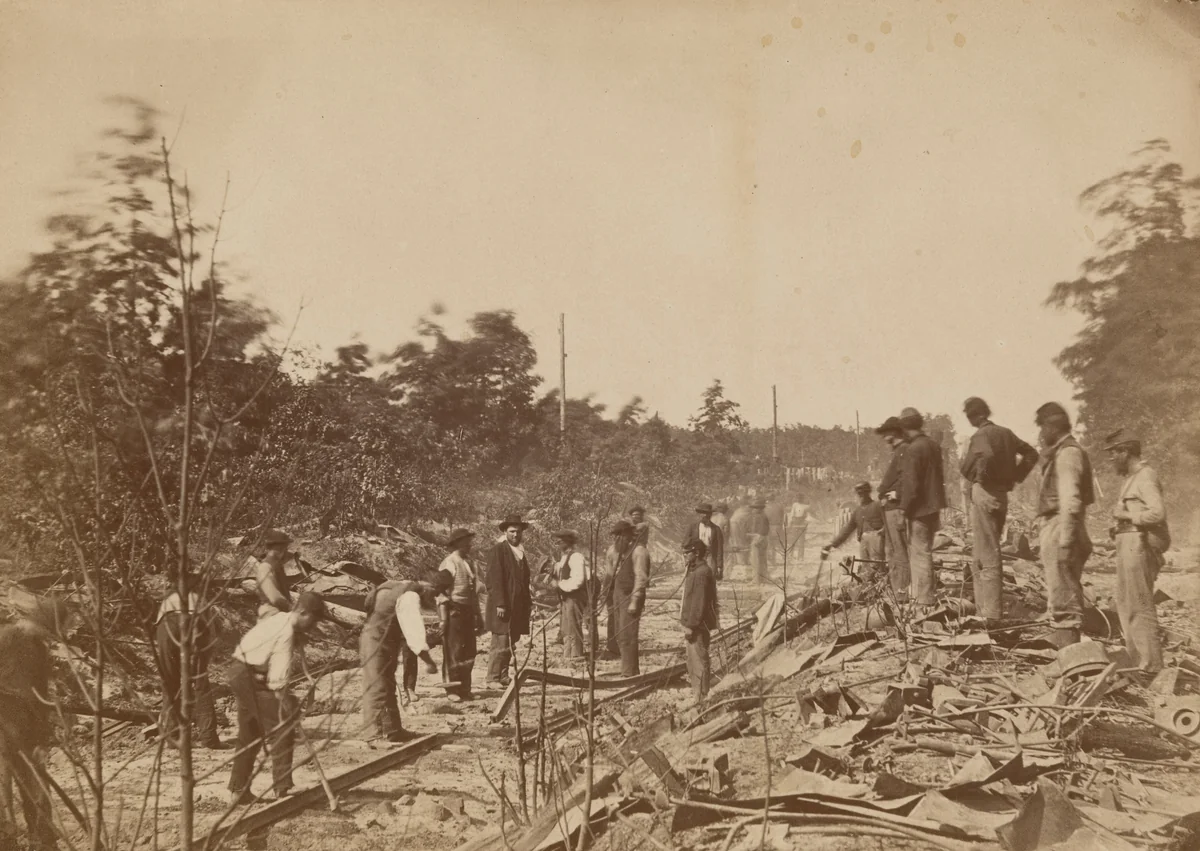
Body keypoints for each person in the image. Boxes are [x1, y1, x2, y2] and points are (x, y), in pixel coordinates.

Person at [228, 591, 325, 805]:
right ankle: (281, 788)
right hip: (248, 676)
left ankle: (238, 790)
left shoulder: (281, 619)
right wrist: (287, 707)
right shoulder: (286, 631)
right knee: (284, 725)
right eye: (313, 619)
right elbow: (278, 681)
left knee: (250, 732)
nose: (314, 624)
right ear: (302, 611)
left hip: (242, 672)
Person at [0, 591, 71, 850]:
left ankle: (43, 843)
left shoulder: (39, 650)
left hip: (27, 732)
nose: (51, 638)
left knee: (37, 788)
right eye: (50, 631)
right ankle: (7, 843)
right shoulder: (5, 638)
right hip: (3, 728)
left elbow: (41, 699)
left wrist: (43, 740)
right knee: (3, 791)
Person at [958, 397, 1039, 624]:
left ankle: (991, 615)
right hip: (1000, 495)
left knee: (989, 554)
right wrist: (1015, 477)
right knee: (981, 554)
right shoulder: (1006, 433)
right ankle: (982, 608)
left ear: (974, 415)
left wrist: (982, 478)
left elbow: (985, 456)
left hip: (985, 492)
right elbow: (1032, 454)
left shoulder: (980, 436)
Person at [1034, 403, 1094, 650]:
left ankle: (1070, 660)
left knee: (1064, 599)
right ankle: (1067, 657)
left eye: (1042, 428)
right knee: (1062, 593)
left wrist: (1066, 541)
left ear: (1052, 427)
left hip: (1062, 525)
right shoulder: (1063, 452)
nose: (1040, 434)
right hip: (1062, 524)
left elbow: (1071, 500)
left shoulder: (1068, 453)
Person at [1105, 434, 1167, 672]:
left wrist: (1127, 517)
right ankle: (1137, 662)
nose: (1111, 458)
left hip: (1139, 544)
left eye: (1113, 453)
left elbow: (1157, 513)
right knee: (1127, 604)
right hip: (1128, 542)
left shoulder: (1145, 477)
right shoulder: (1132, 479)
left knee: (1140, 604)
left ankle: (1151, 667)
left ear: (1125, 452)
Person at [360, 576, 445, 738]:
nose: (432, 600)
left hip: (379, 638)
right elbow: (415, 637)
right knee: (377, 686)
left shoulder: (397, 585)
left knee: (388, 684)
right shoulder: (410, 596)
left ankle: (392, 731)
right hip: (375, 640)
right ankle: (375, 735)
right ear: (426, 589)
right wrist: (429, 663)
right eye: (432, 595)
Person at [155, 584, 223, 749]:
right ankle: (209, 739)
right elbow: (210, 637)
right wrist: (201, 665)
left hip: (167, 625)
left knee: (170, 682)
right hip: (195, 622)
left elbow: (158, 634)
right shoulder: (202, 600)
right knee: (200, 684)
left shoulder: (167, 599)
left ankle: (173, 738)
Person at [898, 408, 946, 610]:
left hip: (919, 509)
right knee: (925, 551)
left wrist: (902, 510)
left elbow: (911, 484)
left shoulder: (914, 449)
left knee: (920, 554)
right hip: (933, 507)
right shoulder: (933, 445)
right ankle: (924, 595)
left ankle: (924, 601)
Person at [485, 515, 532, 689]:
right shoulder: (499, 550)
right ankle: (492, 678)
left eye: (518, 532)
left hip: (517, 606)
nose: (515, 535)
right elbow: (493, 579)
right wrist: (500, 603)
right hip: (503, 606)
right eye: (512, 532)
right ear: (505, 532)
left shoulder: (520, 552)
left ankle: (503, 675)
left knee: (511, 640)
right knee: (501, 640)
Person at [438, 528, 485, 701]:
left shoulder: (470, 563)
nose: (469, 544)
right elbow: (440, 591)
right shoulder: (449, 563)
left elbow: (474, 594)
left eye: (469, 541)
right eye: (466, 541)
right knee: (454, 652)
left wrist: (478, 616)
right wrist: (443, 618)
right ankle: (452, 690)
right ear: (457, 543)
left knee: (469, 652)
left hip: (468, 612)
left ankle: (465, 689)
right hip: (454, 611)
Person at [608, 519, 650, 676]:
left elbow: (641, 578)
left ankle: (630, 672)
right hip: (618, 595)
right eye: (614, 537)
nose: (616, 540)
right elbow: (612, 573)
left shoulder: (639, 551)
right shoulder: (619, 552)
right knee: (620, 634)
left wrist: (634, 601)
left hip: (630, 597)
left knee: (628, 635)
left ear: (627, 536)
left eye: (619, 536)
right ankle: (625, 668)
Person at [876, 417, 911, 600]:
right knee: (893, 551)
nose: (883, 437)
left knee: (899, 551)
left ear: (894, 433)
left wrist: (896, 493)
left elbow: (909, 477)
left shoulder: (904, 450)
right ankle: (898, 590)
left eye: (886, 433)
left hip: (896, 507)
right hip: (890, 507)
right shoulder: (899, 451)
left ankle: (902, 593)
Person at [679, 539, 719, 702]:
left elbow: (699, 602)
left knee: (698, 659)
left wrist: (691, 625)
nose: (685, 556)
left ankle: (701, 694)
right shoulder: (696, 571)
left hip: (697, 625)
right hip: (694, 623)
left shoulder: (702, 573)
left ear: (696, 553)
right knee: (693, 658)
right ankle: (698, 691)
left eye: (687, 553)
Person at [822, 482, 886, 578]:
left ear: (868, 492)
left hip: (877, 541)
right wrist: (832, 544)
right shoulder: (857, 511)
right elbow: (847, 530)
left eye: (863, 493)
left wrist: (882, 532)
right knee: (866, 571)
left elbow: (888, 523)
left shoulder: (877, 506)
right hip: (863, 542)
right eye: (859, 493)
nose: (861, 496)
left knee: (877, 568)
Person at [546, 530, 590, 664]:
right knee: (566, 626)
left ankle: (576, 655)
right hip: (567, 596)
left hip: (574, 596)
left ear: (567, 542)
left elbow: (578, 580)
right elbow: (562, 570)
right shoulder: (565, 557)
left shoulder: (576, 557)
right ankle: (568, 654)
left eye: (560, 542)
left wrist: (559, 584)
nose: (557, 544)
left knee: (573, 626)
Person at [253, 529, 295, 620]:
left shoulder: (278, 568)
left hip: (281, 614)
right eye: (279, 549)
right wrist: (291, 608)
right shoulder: (265, 568)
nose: (282, 552)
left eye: (284, 549)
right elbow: (275, 598)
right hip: (270, 613)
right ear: (268, 549)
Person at [684, 503, 725, 580]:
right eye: (703, 513)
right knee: (695, 579)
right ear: (699, 514)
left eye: (707, 513)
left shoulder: (716, 529)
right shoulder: (692, 527)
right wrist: (689, 555)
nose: (705, 516)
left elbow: (720, 549)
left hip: (710, 556)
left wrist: (720, 566)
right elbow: (685, 543)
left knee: (710, 578)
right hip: (696, 556)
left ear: (710, 515)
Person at [746, 499, 770, 582]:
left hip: (759, 538)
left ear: (760, 509)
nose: (753, 510)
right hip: (762, 538)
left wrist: (754, 538)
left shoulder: (761, 517)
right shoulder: (761, 516)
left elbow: (763, 531)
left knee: (755, 560)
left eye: (755, 508)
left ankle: (756, 579)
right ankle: (763, 578)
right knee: (762, 560)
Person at [786, 495, 810, 563]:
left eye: (800, 498)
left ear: (802, 499)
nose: (799, 499)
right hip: (795, 523)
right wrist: (790, 523)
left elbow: (808, 517)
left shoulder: (806, 506)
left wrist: (806, 523)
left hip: (801, 524)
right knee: (793, 540)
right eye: (798, 498)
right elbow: (792, 514)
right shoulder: (795, 505)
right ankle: (790, 556)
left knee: (801, 541)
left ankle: (801, 557)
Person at [728, 498, 751, 567]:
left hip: (735, 529)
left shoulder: (737, 511)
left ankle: (741, 562)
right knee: (744, 546)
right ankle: (743, 563)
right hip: (740, 529)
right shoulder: (747, 511)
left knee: (738, 545)